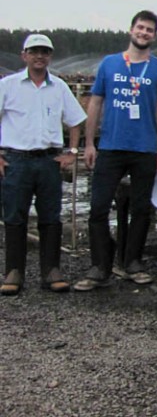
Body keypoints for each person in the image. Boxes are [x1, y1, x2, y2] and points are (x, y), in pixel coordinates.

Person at [75, 10, 157, 291]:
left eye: (149, 30)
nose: (144, 33)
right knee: (98, 207)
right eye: (140, 28)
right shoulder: (109, 64)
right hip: (110, 146)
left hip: (144, 148)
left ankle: (133, 261)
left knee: (142, 209)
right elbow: (95, 103)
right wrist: (89, 143)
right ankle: (100, 265)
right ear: (131, 30)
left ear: (155, 36)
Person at [0, 34, 86, 296]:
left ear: (50, 56)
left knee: (50, 217)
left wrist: (72, 151)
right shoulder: (8, 85)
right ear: (24, 55)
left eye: (45, 52)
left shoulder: (59, 87)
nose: (40, 56)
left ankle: (52, 270)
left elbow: (75, 120)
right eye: (34, 51)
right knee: (15, 217)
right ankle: (14, 272)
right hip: (16, 160)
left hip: (49, 160)